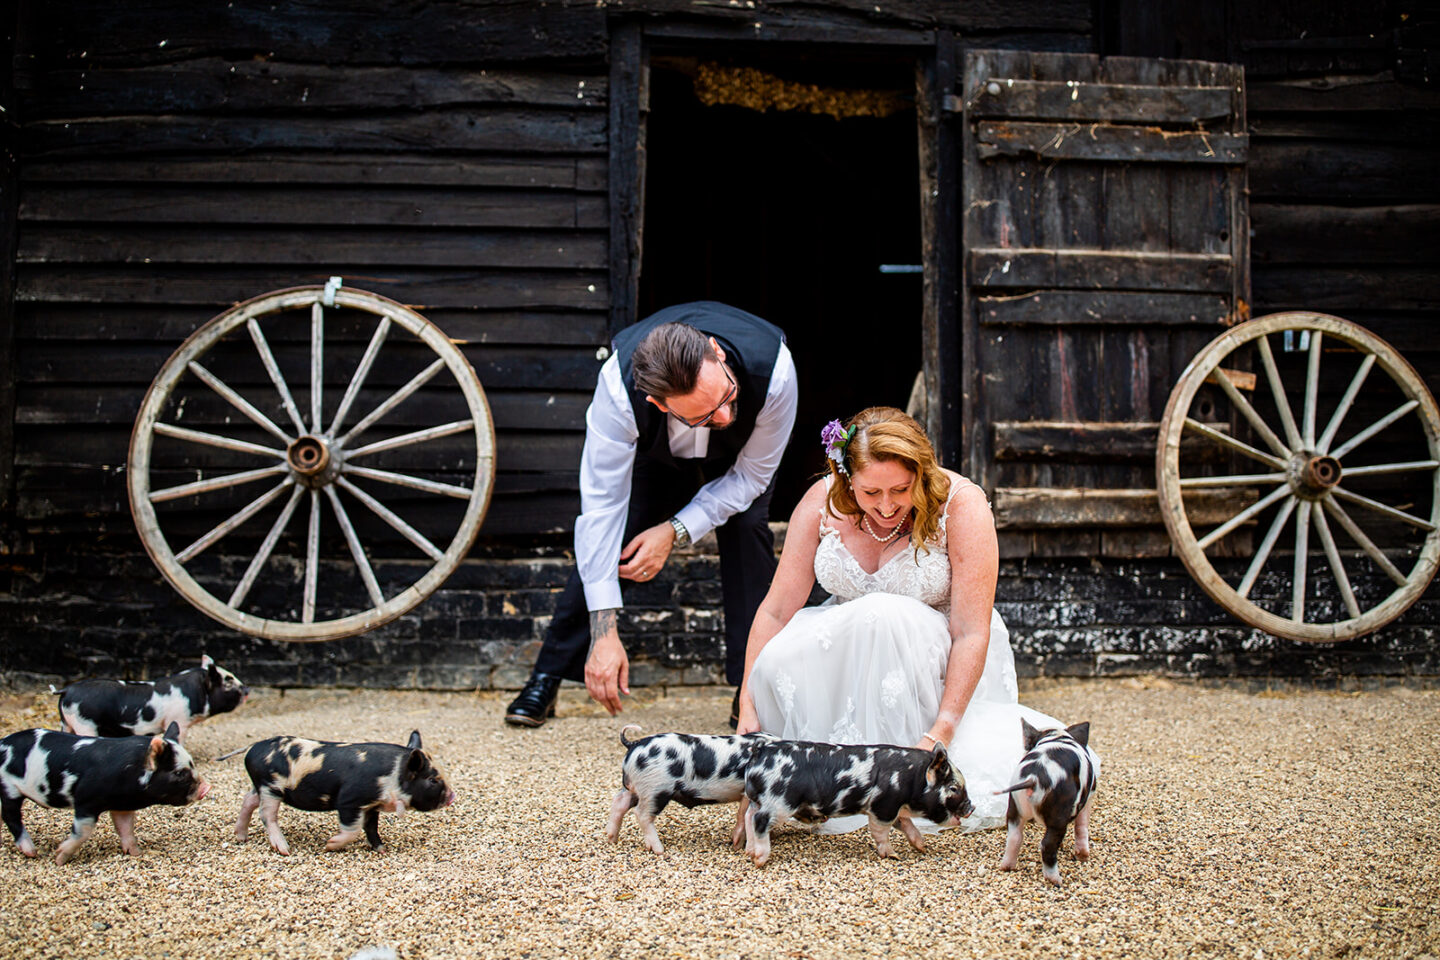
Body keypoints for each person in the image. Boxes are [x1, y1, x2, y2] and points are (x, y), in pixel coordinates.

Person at [735, 406, 1060, 830]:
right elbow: (776, 610)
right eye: (870, 493)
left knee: (882, 613)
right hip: (852, 658)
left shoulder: (962, 505)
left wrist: (940, 733)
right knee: (778, 657)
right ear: (847, 478)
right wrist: (747, 702)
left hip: (937, 659)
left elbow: (970, 631)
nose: (886, 506)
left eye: (901, 490)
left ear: (922, 474)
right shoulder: (821, 501)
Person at [505, 302, 798, 727]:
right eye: (703, 415)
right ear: (659, 403)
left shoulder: (774, 371)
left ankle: (750, 686)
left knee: (749, 528)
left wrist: (675, 530)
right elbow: (601, 511)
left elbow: (752, 476)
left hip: (739, 465)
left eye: (726, 396)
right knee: (616, 534)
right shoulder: (618, 391)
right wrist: (605, 633)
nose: (725, 416)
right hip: (657, 456)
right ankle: (547, 675)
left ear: (715, 351)